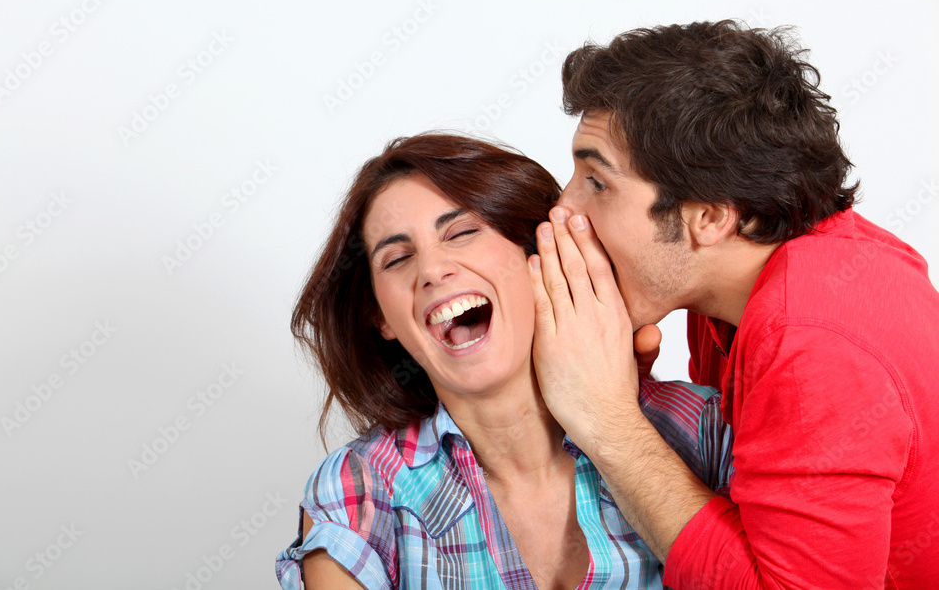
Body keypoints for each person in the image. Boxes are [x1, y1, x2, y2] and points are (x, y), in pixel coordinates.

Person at [528, 20, 939, 589]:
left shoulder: (812, 344)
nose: (563, 210)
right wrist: (634, 392)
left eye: (597, 182)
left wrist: (608, 421)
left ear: (710, 217)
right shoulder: (728, 288)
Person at [277, 133, 733, 589]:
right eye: (397, 259)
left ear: (538, 251)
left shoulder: (707, 430)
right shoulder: (358, 491)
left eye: (462, 232)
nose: (431, 270)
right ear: (381, 316)